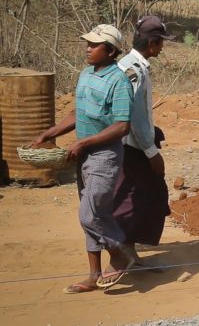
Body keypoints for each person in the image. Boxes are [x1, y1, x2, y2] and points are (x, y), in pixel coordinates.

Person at [32, 25, 134, 293]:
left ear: (110, 51)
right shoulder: (87, 74)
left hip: (105, 156)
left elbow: (122, 125)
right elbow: (80, 113)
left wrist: (84, 142)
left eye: (94, 44)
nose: (88, 48)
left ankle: (120, 253)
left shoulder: (120, 81)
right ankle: (93, 275)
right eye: (87, 43)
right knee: (92, 214)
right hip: (84, 155)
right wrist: (50, 132)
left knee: (89, 213)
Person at [111, 16, 174, 267]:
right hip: (132, 147)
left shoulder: (130, 65)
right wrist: (151, 152)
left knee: (147, 195)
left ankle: (129, 250)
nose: (162, 48)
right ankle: (120, 251)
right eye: (161, 43)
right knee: (135, 198)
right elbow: (134, 116)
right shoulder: (134, 70)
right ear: (151, 43)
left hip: (131, 144)